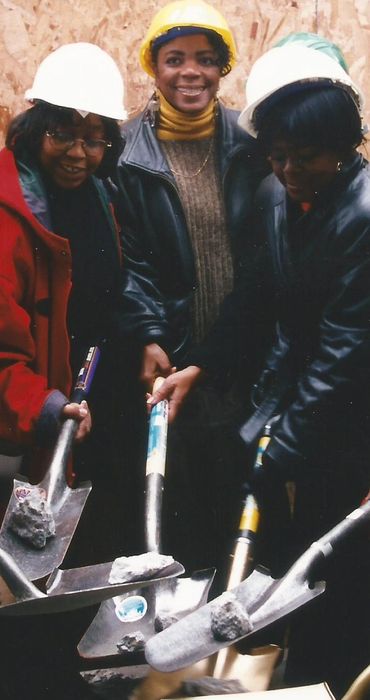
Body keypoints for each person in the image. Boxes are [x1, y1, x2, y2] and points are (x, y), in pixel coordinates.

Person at [150, 44, 370, 696]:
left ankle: (328, 673)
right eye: (276, 154)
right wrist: (201, 367)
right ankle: (276, 659)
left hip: (354, 412)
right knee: (280, 545)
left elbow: (343, 350)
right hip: (301, 396)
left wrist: (282, 448)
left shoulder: (361, 215)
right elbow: (255, 302)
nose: (287, 170)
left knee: (337, 553)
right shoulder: (278, 197)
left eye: (305, 156)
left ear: (345, 143)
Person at [115, 0, 267, 585]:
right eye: (174, 59)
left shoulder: (248, 144)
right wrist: (150, 332)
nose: (190, 73)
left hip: (236, 351)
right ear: (154, 67)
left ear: (222, 67)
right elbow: (129, 258)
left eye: (205, 60)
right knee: (171, 496)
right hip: (171, 350)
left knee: (237, 495)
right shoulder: (128, 153)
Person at [0, 42, 127, 700]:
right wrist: (48, 408)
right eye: (62, 132)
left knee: (69, 595)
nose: (79, 152)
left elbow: (103, 302)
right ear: (32, 128)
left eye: (95, 136)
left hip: (81, 427)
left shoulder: (97, 199)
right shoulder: (8, 216)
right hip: (22, 441)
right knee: (23, 608)